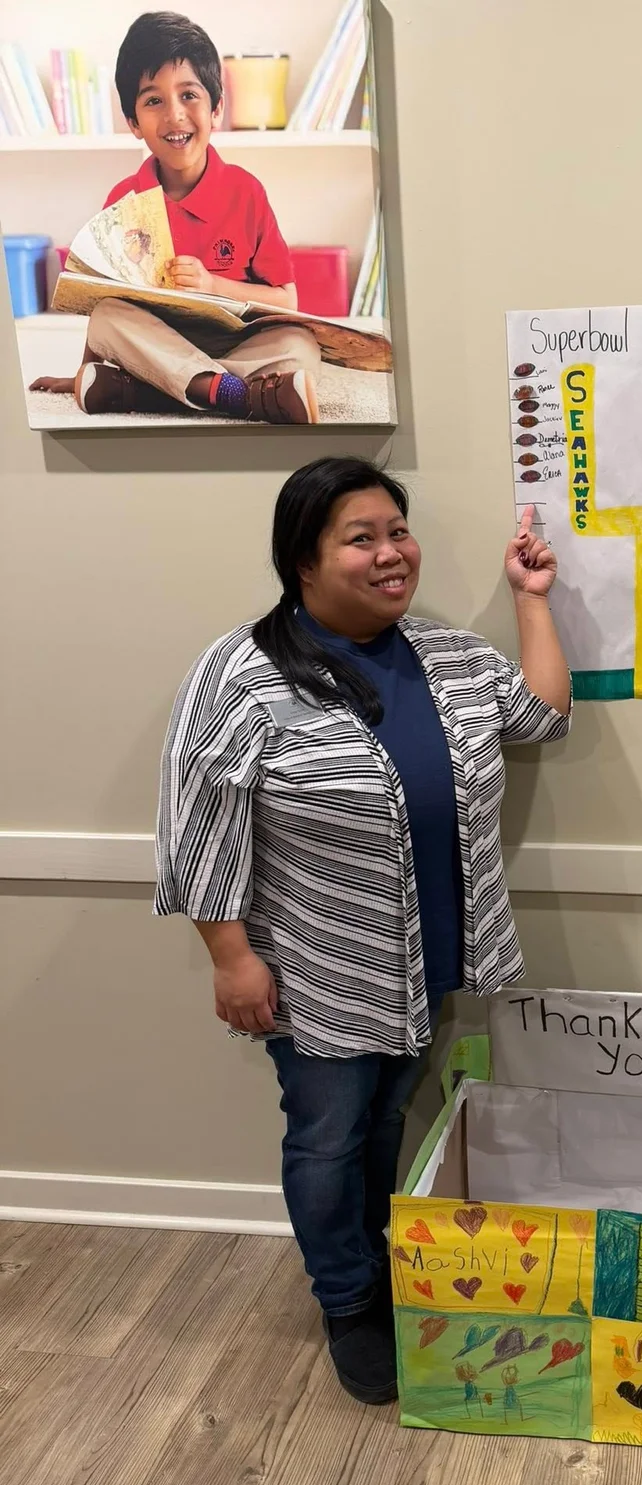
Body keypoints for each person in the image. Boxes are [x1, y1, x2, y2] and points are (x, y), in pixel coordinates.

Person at [156, 457, 570, 1403]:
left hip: (429, 953)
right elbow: (199, 824)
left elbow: (543, 716)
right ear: (303, 560)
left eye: (399, 531)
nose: (392, 555)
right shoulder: (242, 673)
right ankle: (346, 1301)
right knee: (328, 1136)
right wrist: (231, 958)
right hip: (315, 968)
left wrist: (531, 600)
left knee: (390, 1118)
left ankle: (383, 1266)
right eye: (361, 538)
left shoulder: (449, 655)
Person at [31, 12, 320, 423]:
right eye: (153, 101)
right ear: (133, 123)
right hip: (156, 344)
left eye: (189, 95)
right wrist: (82, 373)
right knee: (106, 319)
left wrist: (212, 284)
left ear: (216, 108)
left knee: (301, 345)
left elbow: (286, 300)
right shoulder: (124, 201)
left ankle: (155, 392)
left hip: (233, 345)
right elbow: (105, 303)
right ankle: (238, 395)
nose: (174, 115)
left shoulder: (246, 192)